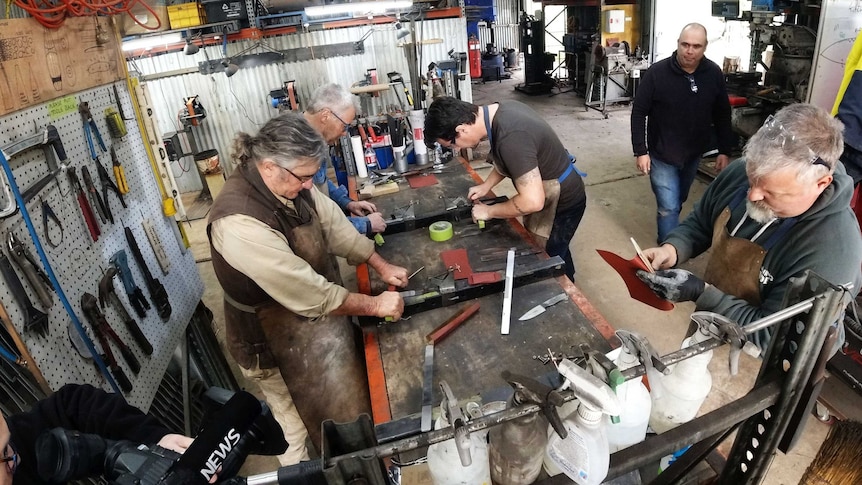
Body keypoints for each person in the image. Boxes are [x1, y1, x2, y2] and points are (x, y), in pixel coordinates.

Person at [207, 112, 408, 465]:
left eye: (311, 175)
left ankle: (358, 459)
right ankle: (303, 474)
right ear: (269, 167)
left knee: (341, 404)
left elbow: (333, 223)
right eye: (304, 177)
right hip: (270, 342)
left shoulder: (293, 181)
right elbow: (312, 293)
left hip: (317, 322)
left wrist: (379, 263)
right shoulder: (238, 222)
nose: (308, 184)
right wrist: (377, 306)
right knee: (296, 428)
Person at [636, 103, 862, 352]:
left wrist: (702, 293)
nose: (752, 195)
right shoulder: (740, 175)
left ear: (821, 183)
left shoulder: (832, 249)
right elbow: (701, 221)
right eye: (753, 179)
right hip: (711, 321)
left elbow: (772, 336)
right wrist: (673, 249)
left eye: (769, 192)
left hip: (762, 359)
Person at [424, 96, 587, 281]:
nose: (455, 148)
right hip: (554, 187)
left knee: (551, 258)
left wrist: (489, 211)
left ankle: (569, 290)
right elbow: (512, 159)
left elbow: (531, 201)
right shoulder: (499, 112)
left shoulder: (511, 136)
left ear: (461, 129)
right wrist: (487, 185)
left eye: (452, 144)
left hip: (563, 201)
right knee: (558, 250)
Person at [631, 22, 735, 244]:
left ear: (705, 47)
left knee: (679, 200)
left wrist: (725, 150)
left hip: (693, 153)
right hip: (662, 154)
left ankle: (670, 239)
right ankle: (667, 253)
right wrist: (640, 151)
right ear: (677, 44)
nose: (689, 51)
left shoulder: (713, 73)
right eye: (685, 44)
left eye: (696, 46)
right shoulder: (657, 73)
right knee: (668, 206)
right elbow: (639, 113)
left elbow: (722, 113)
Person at [1, 383, 192, 484]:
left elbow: (74, 404)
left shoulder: (16, 447)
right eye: (4, 457)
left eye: (8, 447)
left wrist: (155, 443)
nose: (15, 459)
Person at [304, 83, 387, 237]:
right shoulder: (298, 148)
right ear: (325, 116)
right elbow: (313, 223)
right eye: (344, 127)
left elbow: (320, 182)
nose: (344, 134)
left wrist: (347, 203)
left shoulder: (313, 138)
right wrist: (365, 224)